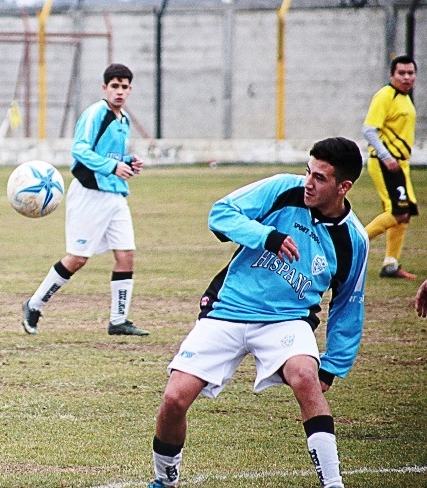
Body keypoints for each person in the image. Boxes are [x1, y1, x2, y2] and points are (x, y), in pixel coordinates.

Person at [147, 137, 368, 488]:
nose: (308, 182)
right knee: (174, 398)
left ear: (344, 187)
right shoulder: (284, 189)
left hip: (288, 320)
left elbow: (348, 303)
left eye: (320, 178)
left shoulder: (353, 239)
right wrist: (266, 236)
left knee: (306, 378)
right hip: (228, 310)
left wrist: (334, 363)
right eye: (308, 171)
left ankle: (333, 483)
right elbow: (220, 214)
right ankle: (164, 481)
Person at [21, 63, 147, 336]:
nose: (120, 92)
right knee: (77, 259)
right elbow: (80, 150)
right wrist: (112, 167)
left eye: (125, 87)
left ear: (130, 90)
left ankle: (118, 321)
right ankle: (34, 304)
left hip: (116, 196)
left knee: (126, 255)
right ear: (105, 88)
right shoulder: (95, 113)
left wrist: (127, 162)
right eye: (115, 86)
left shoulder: (123, 118)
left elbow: (110, 156)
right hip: (89, 194)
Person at [363, 55, 419, 279]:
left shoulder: (405, 98)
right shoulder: (386, 95)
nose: (406, 77)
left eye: (410, 73)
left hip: (399, 164)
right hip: (386, 163)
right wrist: (386, 156)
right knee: (398, 211)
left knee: (404, 213)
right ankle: (351, 242)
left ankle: (391, 263)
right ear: (391, 75)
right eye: (401, 73)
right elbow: (369, 129)